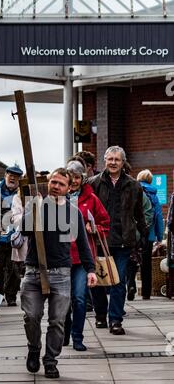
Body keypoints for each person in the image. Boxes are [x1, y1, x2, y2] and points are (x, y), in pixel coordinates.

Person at [21, 168, 97, 379]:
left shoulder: (73, 213)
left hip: (61, 273)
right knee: (31, 316)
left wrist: (90, 270)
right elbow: (25, 230)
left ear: (68, 188)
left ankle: (51, 361)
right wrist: (32, 209)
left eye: (60, 184)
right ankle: (34, 348)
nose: (55, 186)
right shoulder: (38, 205)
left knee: (57, 321)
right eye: (53, 182)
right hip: (34, 271)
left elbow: (83, 244)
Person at [89, 146, 147, 335]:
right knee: (98, 281)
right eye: (110, 159)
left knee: (119, 281)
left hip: (123, 240)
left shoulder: (134, 185)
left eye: (117, 159)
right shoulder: (93, 183)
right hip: (99, 240)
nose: (113, 162)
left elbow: (139, 213)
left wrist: (143, 234)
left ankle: (115, 320)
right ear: (104, 160)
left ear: (123, 162)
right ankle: (100, 314)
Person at [64, 161, 110, 351]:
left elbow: (105, 223)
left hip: (83, 258)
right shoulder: (57, 198)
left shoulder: (91, 198)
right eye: (70, 176)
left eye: (77, 177)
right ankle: (64, 333)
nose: (74, 181)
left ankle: (77, 337)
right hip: (62, 257)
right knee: (63, 300)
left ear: (83, 179)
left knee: (79, 298)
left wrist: (94, 228)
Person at [0, 165, 23, 306]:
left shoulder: (21, 192)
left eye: (16, 177)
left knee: (14, 269)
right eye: (10, 175)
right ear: (5, 175)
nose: (12, 178)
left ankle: (11, 296)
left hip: (15, 237)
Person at [136, 169, 164, 299]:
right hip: (149, 234)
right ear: (150, 180)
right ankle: (146, 293)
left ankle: (130, 285)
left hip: (133, 232)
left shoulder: (134, 191)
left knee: (131, 260)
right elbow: (158, 217)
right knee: (146, 263)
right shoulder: (154, 195)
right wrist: (159, 236)